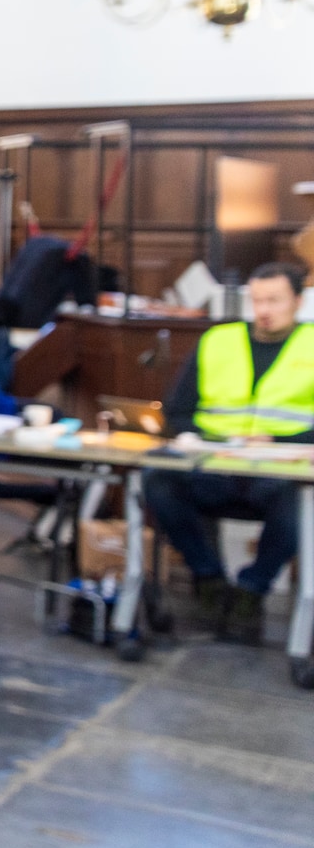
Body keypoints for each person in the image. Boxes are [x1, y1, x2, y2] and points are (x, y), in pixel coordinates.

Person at [144, 261, 311, 645]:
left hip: (281, 474)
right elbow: (178, 411)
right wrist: (206, 437)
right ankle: (209, 577)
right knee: (158, 480)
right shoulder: (218, 341)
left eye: (274, 300)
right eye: (257, 300)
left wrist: (279, 442)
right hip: (216, 465)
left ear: (298, 302)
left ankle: (252, 590)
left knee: (302, 505)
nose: (264, 310)